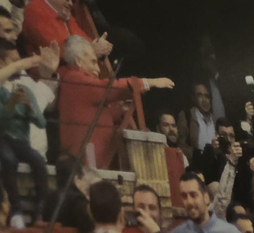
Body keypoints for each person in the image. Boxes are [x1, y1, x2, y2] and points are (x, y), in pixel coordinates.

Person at [56, 36, 173, 170]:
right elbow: (109, 89)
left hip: (92, 155)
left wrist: (121, 109)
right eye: (93, 62)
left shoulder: (76, 80)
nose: (98, 69)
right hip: (86, 158)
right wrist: (149, 82)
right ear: (79, 61)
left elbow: (96, 112)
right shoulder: (75, 79)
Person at [0, 38, 59, 222]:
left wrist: (32, 108)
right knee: (8, 160)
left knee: (39, 161)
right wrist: (12, 103)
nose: (21, 66)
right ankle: (15, 211)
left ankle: (41, 213)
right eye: (15, 61)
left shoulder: (25, 87)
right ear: (0, 63)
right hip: (0, 139)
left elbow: (41, 123)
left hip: (20, 142)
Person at [22, 0, 108, 57]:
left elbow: (83, 40)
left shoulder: (64, 13)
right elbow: (56, 49)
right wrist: (91, 50)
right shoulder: (34, 10)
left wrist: (98, 46)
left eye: (72, 0)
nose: (70, 3)